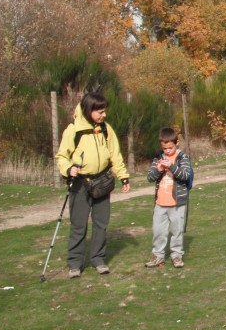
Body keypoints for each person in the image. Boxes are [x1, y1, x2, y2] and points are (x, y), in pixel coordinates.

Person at [56, 92, 130, 278]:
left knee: (101, 224)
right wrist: (68, 169)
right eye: (100, 112)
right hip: (80, 184)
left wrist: (123, 177)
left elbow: (115, 154)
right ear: (89, 110)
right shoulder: (73, 130)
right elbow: (62, 156)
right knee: (78, 225)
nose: (104, 115)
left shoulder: (106, 129)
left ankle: (98, 259)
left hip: (102, 181)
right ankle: (75, 263)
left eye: (105, 111)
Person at [146, 127, 192, 269]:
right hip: (160, 202)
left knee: (177, 231)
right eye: (164, 148)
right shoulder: (158, 158)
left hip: (177, 203)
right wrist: (158, 170)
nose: (167, 151)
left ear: (176, 143)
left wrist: (171, 166)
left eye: (170, 148)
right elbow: (150, 177)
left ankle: (176, 255)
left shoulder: (183, 158)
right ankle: (158, 256)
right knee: (158, 231)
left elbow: (185, 175)